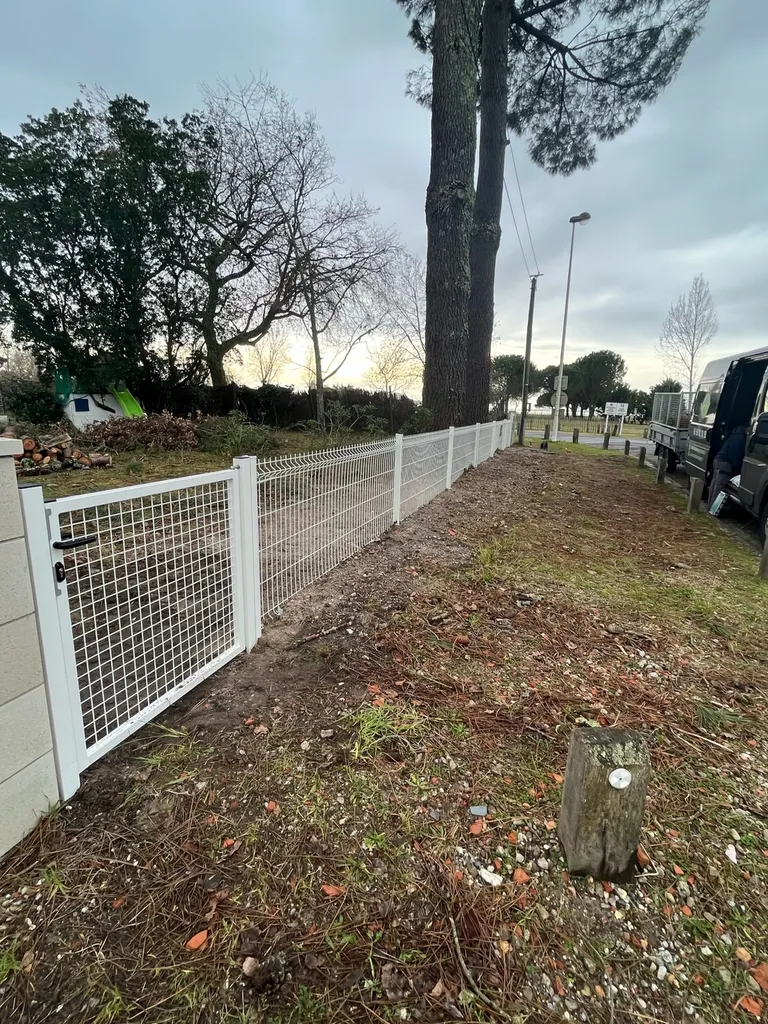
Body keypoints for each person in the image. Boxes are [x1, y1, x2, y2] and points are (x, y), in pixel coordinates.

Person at [709, 421, 749, 510]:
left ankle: (709, 507)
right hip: (725, 464)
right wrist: (738, 471)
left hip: (718, 459)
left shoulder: (735, 434)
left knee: (714, 485)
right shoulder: (741, 438)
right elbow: (735, 457)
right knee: (719, 488)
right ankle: (713, 509)